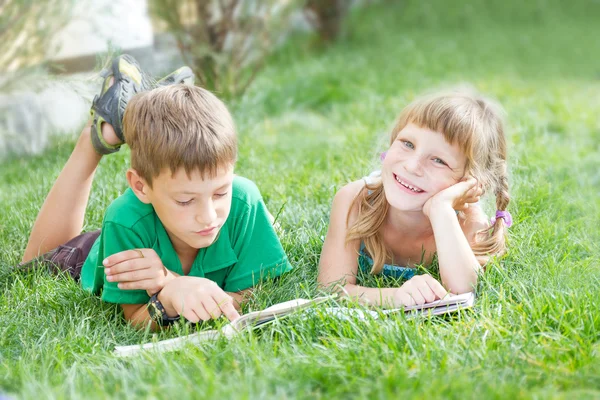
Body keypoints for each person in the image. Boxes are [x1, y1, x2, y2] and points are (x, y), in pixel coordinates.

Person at [20, 55, 292, 328]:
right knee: (32, 265)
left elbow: (254, 296)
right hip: (99, 249)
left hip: (156, 231)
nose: (209, 217)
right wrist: (168, 301)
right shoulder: (124, 220)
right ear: (140, 187)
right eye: (185, 201)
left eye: (220, 193)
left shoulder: (244, 200)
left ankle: (149, 106)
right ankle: (102, 132)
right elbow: (135, 318)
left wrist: (170, 281)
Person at [318, 89, 511, 307]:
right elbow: (331, 290)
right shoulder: (355, 201)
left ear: (469, 183)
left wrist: (441, 208)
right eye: (408, 144)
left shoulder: (467, 222)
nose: (411, 166)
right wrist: (396, 297)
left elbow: (463, 291)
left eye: (439, 160)